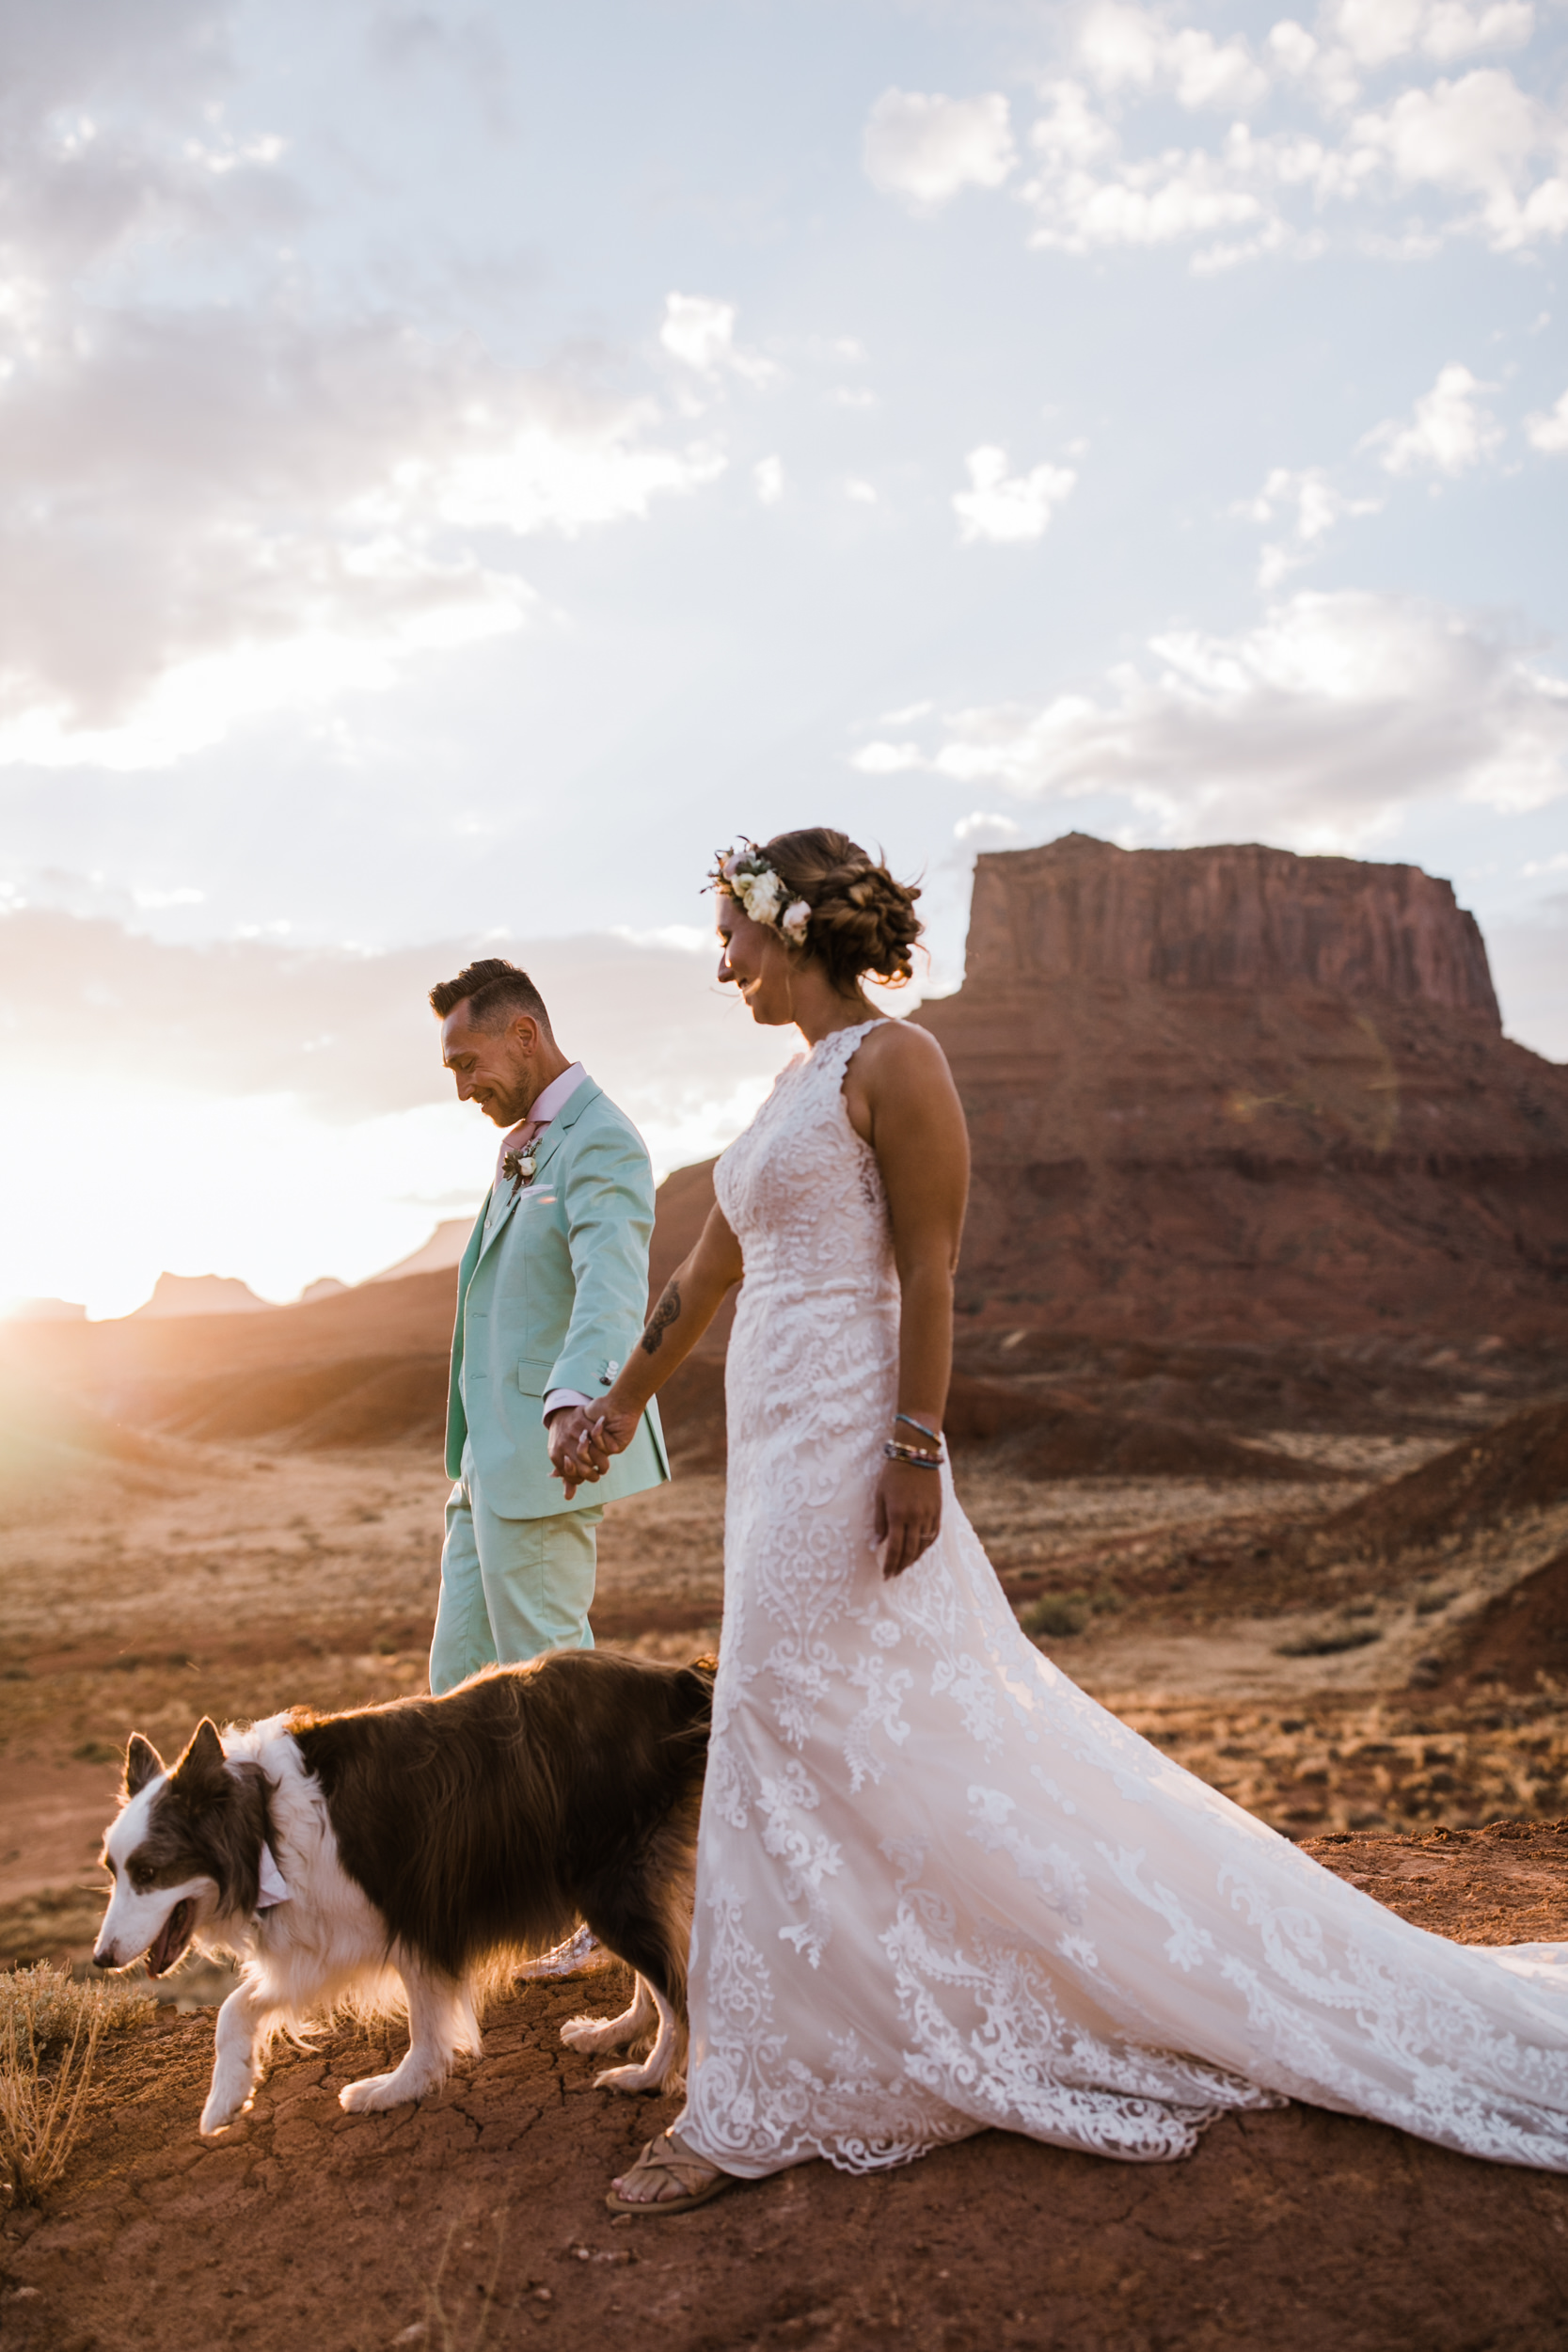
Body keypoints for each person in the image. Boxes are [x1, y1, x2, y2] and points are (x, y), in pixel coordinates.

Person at [550, 830, 1568, 2214]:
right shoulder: (785, 1088)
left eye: (728, 929)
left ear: (787, 929)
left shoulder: (893, 1062)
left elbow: (930, 1263)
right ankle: (823, 2025)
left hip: (853, 1442)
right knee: (796, 1723)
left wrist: (915, 1445)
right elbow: (703, 1271)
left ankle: (761, 2097)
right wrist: (615, 1409)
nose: (718, 958)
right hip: (773, 1462)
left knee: (783, 1717)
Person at [425, 957, 668, 1695]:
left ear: (524, 1034)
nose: (463, 1088)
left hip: (544, 1458)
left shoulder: (601, 1140)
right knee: (453, 1700)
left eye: (469, 1064)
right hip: (485, 1467)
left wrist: (572, 1402)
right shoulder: (532, 1140)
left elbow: (612, 1287)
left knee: (551, 1701)